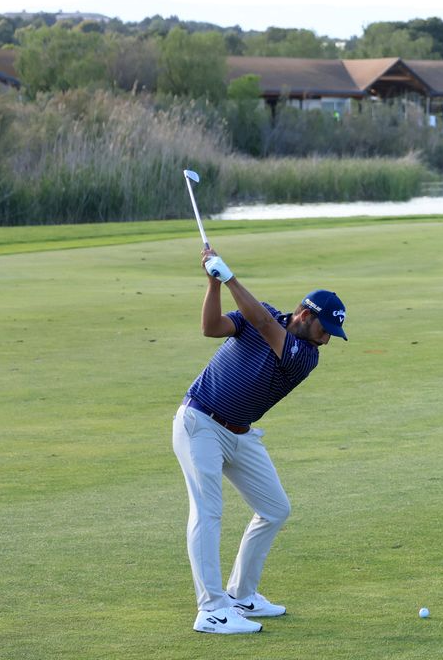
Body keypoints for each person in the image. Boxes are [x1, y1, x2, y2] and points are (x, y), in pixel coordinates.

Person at [173, 247, 348, 634]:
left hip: (240, 434)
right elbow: (212, 327)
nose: (327, 340)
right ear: (305, 315)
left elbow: (267, 326)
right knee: (208, 512)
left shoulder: (305, 355)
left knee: (275, 508)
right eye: (325, 330)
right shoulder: (262, 313)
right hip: (200, 422)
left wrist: (230, 277)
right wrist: (213, 283)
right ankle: (212, 610)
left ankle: (241, 595)